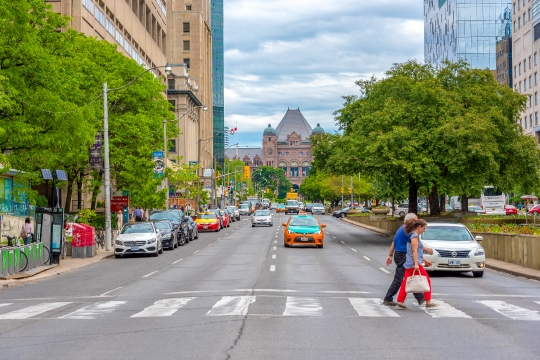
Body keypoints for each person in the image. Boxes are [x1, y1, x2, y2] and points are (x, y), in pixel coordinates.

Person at [383, 213, 425, 306]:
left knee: (408, 276)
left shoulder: (401, 228)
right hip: (404, 255)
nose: (417, 222)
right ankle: (388, 298)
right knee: (402, 278)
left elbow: (394, 242)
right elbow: (414, 247)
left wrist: (390, 255)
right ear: (411, 221)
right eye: (416, 220)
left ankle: (420, 298)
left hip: (399, 255)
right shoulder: (409, 231)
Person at [396, 219, 439, 310]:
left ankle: (400, 301)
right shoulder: (414, 236)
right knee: (427, 281)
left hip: (410, 263)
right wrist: (416, 264)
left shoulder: (411, 235)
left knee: (406, 283)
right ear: (419, 227)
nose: (424, 230)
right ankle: (428, 301)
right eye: (424, 228)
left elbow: (417, 251)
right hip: (414, 263)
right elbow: (414, 251)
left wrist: (425, 260)